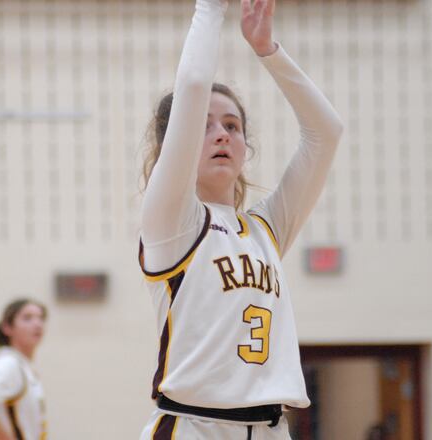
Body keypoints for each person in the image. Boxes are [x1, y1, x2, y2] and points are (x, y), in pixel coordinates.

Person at [138, 0, 342, 438]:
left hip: (271, 427)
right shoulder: (172, 221)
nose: (221, 134)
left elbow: (326, 132)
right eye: (205, 125)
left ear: (245, 146)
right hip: (195, 425)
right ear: (177, 141)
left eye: (232, 125)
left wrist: (268, 50)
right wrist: (211, 7)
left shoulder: (266, 228)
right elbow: (192, 83)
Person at [0, 299, 48, 440]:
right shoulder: (10, 364)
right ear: (7, 327)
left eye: (41, 318)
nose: (37, 324)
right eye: (28, 318)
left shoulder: (24, 367)